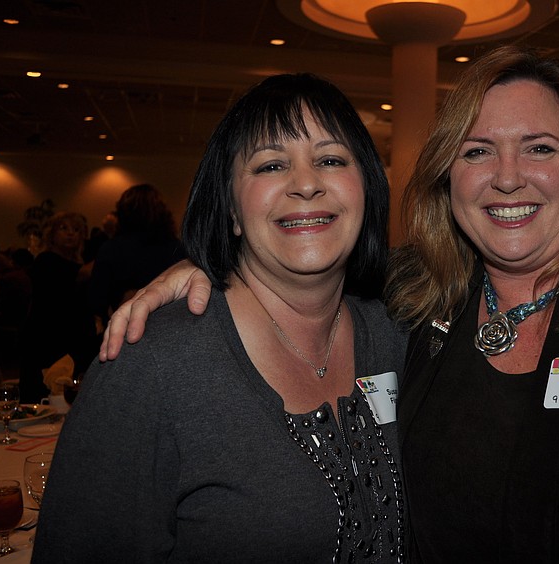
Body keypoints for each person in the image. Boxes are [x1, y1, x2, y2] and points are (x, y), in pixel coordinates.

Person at [100, 47, 559, 562]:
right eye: (476, 152)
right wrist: (205, 267)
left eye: (537, 147)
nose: (506, 178)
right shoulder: (419, 302)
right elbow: (303, 258)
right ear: (447, 178)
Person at [33, 73, 407, 563]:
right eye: (271, 164)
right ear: (231, 210)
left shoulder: (399, 329)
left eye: (331, 159)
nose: (307, 183)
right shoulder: (149, 366)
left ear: (367, 189)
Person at [19, 211, 97, 402]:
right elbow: (79, 275)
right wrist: (112, 254)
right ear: (52, 234)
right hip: (49, 340)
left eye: (76, 230)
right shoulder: (46, 260)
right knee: (47, 396)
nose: (70, 233)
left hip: (71, 339)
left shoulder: (77, 263)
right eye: (64, 228)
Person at [87, 183, 185, 331]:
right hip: (169, 329)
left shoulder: (112, 248)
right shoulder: (177, 248)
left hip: (124, 329)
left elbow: (96, 300)